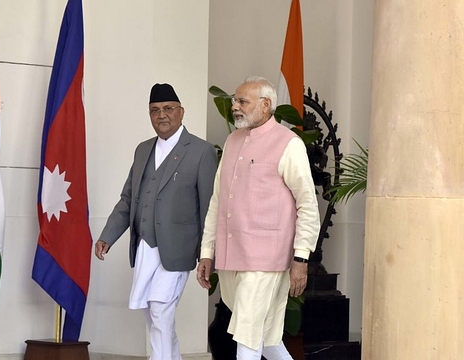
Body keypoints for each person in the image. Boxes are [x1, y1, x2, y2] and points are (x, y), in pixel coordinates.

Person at [196, 76, 320, 360]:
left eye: (242, 101)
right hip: (231, 254)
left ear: (266, 105)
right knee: (265, 336)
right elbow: (218, 200)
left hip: (266, 258)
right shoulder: (232, 140)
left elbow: (308, 205)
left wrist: (301, 259)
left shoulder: (289, 144)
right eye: (234, 101)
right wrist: (207, 252)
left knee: (248, 334)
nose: (235, 107)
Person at [95, 83, 217, 360]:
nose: (161, 115)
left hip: (179, 249)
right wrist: (107, 236)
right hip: (145, 247)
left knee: (161, 310)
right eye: (155, 110)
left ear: (181, 112)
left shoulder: (201, 151)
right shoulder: (142, 150)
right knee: (153, 314)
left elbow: (211, 205)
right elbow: (128, 199)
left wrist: (206, 254)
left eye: (168, 109)